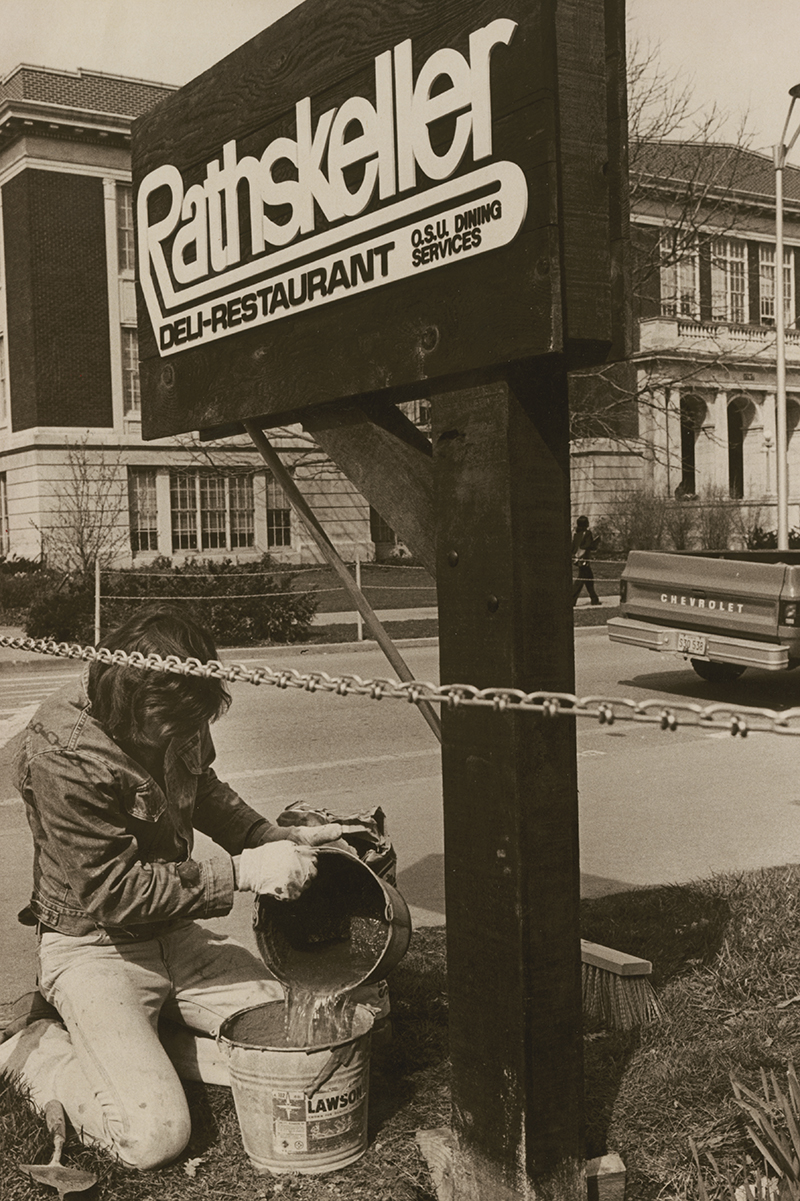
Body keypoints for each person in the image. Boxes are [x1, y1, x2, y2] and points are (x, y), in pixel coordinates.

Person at [0, 607, 344, 1171]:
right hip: (95, 949)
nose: (177, 740)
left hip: (177, 936)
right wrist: (243, 872)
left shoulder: (175, 699)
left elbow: (203, 788)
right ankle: (34, 1053)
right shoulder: (61, 752)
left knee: (313, 1033)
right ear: (124, 697)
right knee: (151, 1136)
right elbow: (113, 893)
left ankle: (146, 1039)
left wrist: (269, 836)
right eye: (164, 729)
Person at [572, 515, 602, 606]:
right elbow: (588, 545)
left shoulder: (576, 534)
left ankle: (594, 599)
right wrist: (596, 543)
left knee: (589, 579)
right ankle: (571, 599)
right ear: (586, 524)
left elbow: (573, 547)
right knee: (580, 581)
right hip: (584, 560)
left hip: (578, 559)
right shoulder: (587, 533)